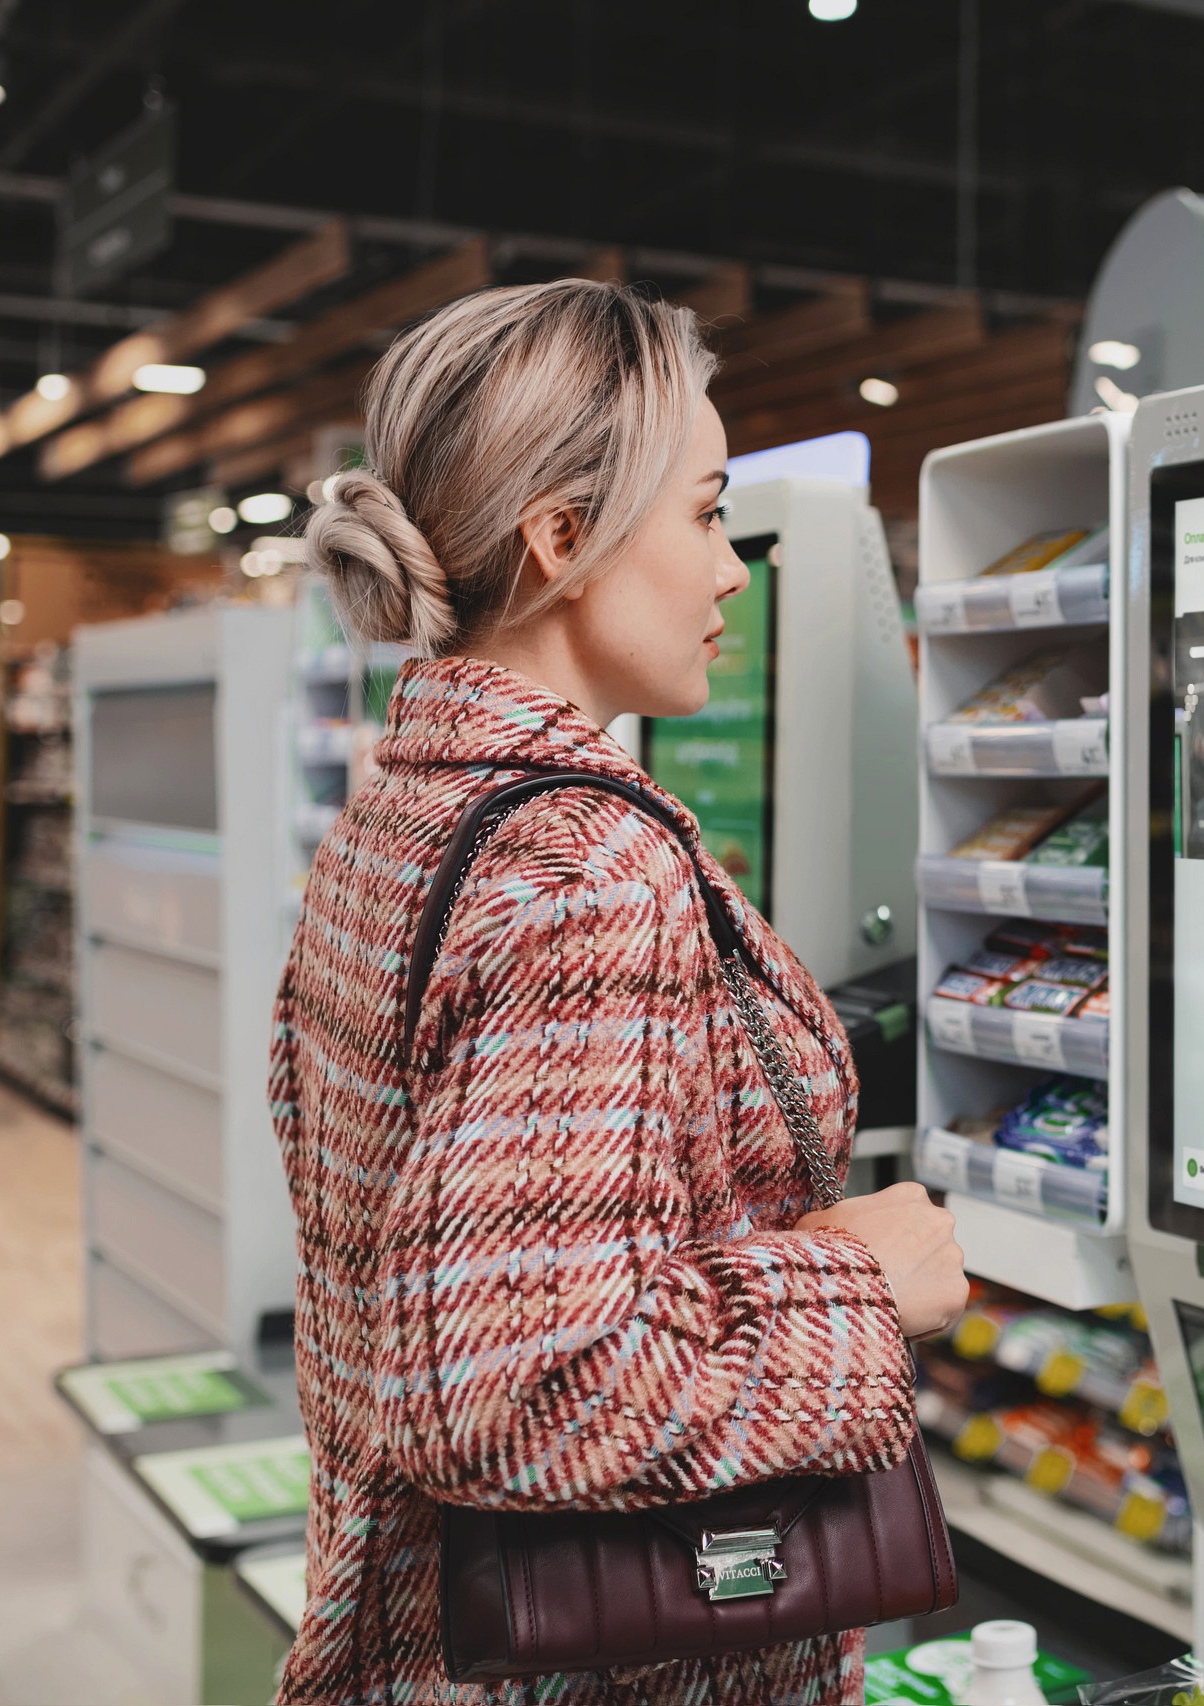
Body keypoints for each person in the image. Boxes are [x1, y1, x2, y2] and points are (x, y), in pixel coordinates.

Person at [269, 279, 968, 1706]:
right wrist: (863, 1284)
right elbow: (527, 1390)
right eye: (706, 513)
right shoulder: (586, 867)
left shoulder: (402, 812)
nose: (731, 570)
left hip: (411, 1636)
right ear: (562, 538)